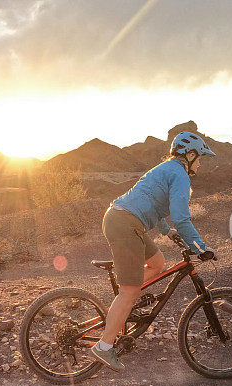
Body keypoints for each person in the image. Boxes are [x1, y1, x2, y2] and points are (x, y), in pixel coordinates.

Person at [90, 131, 216, 371]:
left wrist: (167, 232)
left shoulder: (166, 168)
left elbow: (152, 203)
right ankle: (104, 347)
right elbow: (181, 217)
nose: (200, 162)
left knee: (158, 264)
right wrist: (199, 248)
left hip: (123, 219)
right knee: (130, 291)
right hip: (126, 223)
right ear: (189, 155)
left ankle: (123, 305)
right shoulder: (179, 175)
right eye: (199, 157)